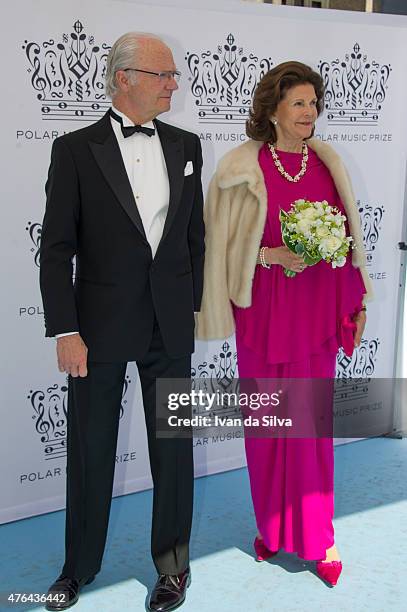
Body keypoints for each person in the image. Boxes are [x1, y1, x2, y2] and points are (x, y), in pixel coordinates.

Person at [40, 32, 204, 611]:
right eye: (162, 75)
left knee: (174, 449)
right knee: (91, 453)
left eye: (173, 75)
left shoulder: (187, 144)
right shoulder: (75, 149)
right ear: (125, 78)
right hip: (98, 327)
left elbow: (192, 236)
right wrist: (65, 329)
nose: (173, 85)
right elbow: (57, 249)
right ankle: (77, 569)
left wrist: (193, 304)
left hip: (168, 324)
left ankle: (173, 569)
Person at [196, 61, 372, 586]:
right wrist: (269, 255)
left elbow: (348, 245)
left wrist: (355, 303)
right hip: (264, 317)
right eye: (299, 103)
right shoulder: (239, 168)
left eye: (314, 103)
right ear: (272, 108)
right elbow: (217, 249)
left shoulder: (326, 164)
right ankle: (272, 530)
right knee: (268, 430)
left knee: (311, 431)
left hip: (316, 317)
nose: (309, 113)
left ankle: (320, 540)